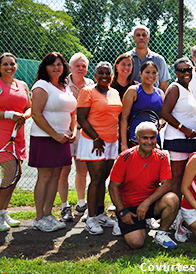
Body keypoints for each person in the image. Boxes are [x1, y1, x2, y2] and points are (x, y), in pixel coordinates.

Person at [108, 122, 179, 249]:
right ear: (137, 139)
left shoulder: (162, 156)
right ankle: (123, 222)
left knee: (172, 199)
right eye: (145, 138)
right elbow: (113, 187)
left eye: (152, 138)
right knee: (136, 243)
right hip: (129, 207)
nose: (149, 141)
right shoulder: (125, 157)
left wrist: (146, 202)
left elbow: (167, 184)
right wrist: (122, 211)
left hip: (149, 205)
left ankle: (161, 233)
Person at [0, 53, 31, 231]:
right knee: (10, 173)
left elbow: (29, 108)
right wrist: (10, 115)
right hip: (0, 134)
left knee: (16, 175)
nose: (9, 67)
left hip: (17, 133)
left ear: (16, 65)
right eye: (5, 64)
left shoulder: (23, 85)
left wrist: (23, 117)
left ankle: (2, 212)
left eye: (12, 64)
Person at [29, 52, 77, 232]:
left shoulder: (66, 87)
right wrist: (54, 134)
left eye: (59, 64)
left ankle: (48, 215)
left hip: (62, 139)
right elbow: (36, 114)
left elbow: (73, 113)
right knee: (45, 177)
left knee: (56, 176)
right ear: (45, 68)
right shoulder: (41, 85)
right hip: (44, 138)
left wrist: (72, 130)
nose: (56, 68)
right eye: (52, 65)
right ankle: (39, 217)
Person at [76, 61, 122, 235]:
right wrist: (96, 137)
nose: (104, 76)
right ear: (95, 75)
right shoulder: (87, 91)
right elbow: (81, 118)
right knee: (95, 180)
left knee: (103, 178)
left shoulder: (115, 92)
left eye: (107, 73)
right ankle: (91, 218)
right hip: (93, 141)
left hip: (111, 141)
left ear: (112, 75)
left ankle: (101, 214)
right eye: (101, 73)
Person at [57, 53, 94, 222]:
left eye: (84, 66)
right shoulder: (61, 83)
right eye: (77, 66)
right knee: (64, 170)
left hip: (83, 133)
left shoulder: (91, 84)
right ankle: (64, 206)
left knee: (82, 170)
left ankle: (81, 204)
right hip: (65, 132)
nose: (81, 69)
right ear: (70, 68)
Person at [161, 57, 196, 198]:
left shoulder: (187, 89)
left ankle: (183, 212)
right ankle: (174, 214)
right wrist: (184, 129)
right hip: (177, 140)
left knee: (186, 177)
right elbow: (164, 113)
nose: (186, 73)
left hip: (189, 140)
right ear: (176, 73)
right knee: (177, 178)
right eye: (182, 70)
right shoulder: (174, 88)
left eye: (189, 69)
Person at [120, 61, 163, 151]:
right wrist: (124, 144)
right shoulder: (133, 91)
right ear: (140, 74)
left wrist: (160, 122)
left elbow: (163, 117)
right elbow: (124, 118)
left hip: (154, 142)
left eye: (154, 73)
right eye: (147, 72)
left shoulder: (160, 93)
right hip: (134, 141)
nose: (151, 75)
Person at [127, 25, 170, 90]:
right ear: (134, 38)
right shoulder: (126, 58)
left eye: (144, 35)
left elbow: (163, 86)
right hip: (130, 98)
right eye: (138, 35)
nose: (141, 37)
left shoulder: (159, 60)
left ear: (148, 38)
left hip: (152, 99)